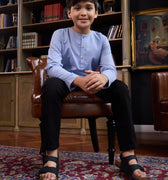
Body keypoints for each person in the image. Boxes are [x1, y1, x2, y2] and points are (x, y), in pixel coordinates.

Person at [39, 0, 147, 179]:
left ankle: (128, 156)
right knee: (50, 86)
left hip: (93, 82)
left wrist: (104, 78)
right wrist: (77, 79)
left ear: (96, 13)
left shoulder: (101, 39)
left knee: (120, 88)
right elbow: (52, 67)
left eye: (88, 8)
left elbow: (110, 69)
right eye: (77, 8)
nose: (83, 13)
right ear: (69, 13)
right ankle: (51, 155)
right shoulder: (59, 34)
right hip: (67, 82)